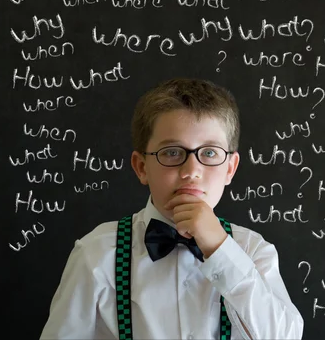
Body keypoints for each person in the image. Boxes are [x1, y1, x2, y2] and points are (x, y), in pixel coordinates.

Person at [40, 77, 304, 339]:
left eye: (209, 153)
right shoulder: (97, 254)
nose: (191, 171)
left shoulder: (253, 251)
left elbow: (285, 336)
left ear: (230, 168)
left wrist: (221, 251)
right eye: (172, 152)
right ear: (141, 167)